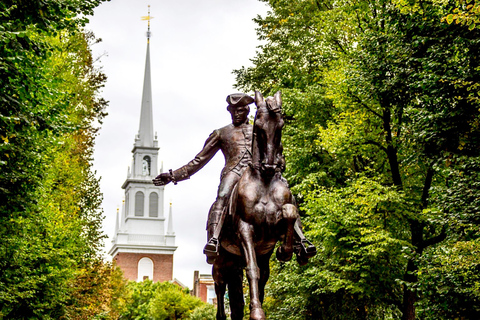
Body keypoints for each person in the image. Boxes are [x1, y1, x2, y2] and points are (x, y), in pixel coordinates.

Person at [153, 93, 255, 264]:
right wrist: (172, 176)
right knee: (222, 196)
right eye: (233, 111)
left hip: (256, 174)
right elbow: (199, 160)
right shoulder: (221, 133)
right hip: (234, 173)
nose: (236, 114)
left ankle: (298, 239)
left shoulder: (258, 131)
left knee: (282, 191)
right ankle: (214, 240)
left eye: (239, 110)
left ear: (246, 110)